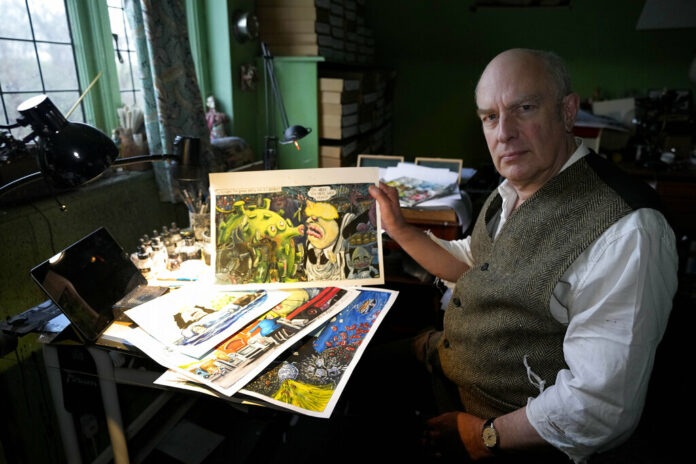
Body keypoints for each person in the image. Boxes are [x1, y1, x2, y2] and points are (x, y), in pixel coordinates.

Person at [369, 49, 678, 462]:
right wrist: (401, 230)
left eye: (524, 109)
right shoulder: (512, 188)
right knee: (347, 371)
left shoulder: (627, 230)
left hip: (509, 430)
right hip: (452, 363)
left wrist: (482, 436)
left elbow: (600, 405)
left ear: (568, 112)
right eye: (490, 117)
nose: (504, 133)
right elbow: (475, 262)